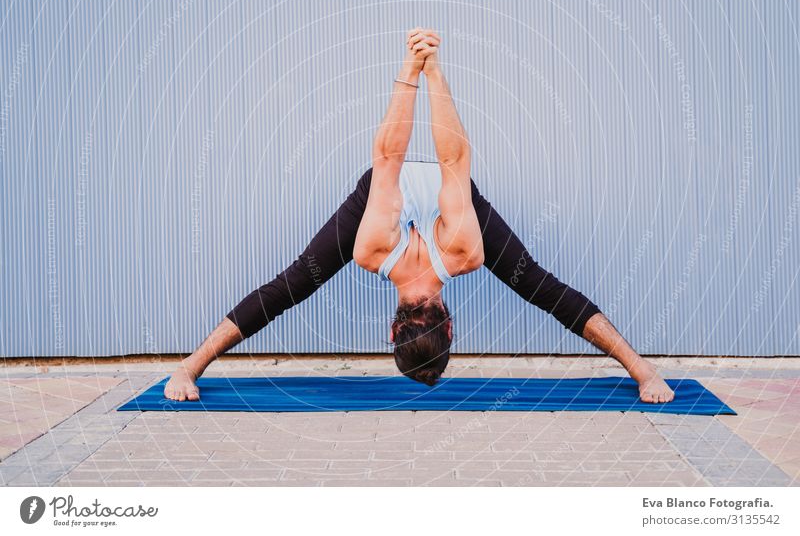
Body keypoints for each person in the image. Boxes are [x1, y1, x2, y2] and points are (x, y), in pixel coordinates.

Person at [164, 28, 675, 403]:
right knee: (537, 285)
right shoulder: (457, 248)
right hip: (445, 205)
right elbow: (445, 161)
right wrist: (425, 69)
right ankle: (642, 371)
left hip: (390, 203)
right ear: (392, 332)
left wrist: (416, 69)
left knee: (295, 283)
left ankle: (191, 366)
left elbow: (396, 161)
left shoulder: (383, 246)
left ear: (450, 329)